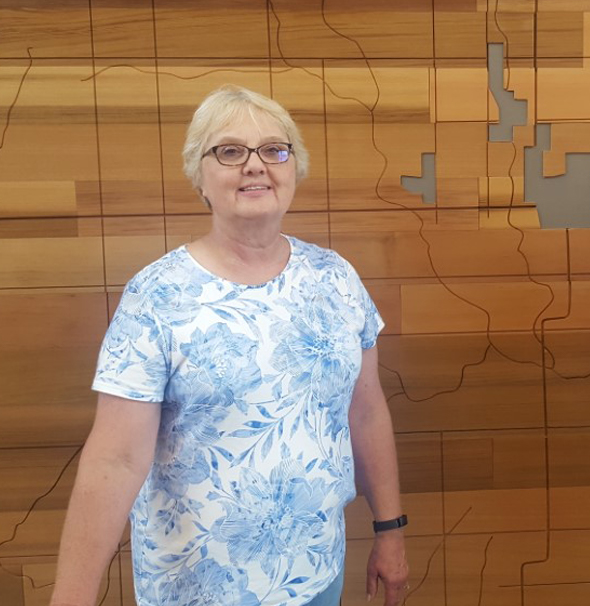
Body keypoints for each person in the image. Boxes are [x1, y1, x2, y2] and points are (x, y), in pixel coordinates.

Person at [50, 85, 409, 606]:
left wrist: (389, 528)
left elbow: (366, 410)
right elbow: (115, 460)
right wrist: (73, 596)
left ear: (294, 167)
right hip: (197, 589)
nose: (255, 165)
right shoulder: (156, 296)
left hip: (316, 575)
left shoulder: (335, 278)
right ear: (199, 176)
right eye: (230, 151)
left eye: (274, 149)